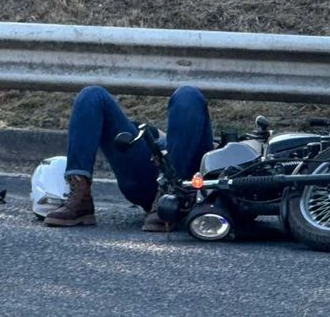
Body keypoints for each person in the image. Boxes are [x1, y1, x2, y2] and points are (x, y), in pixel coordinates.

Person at [44, 85, 214, 231]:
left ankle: (171, 194)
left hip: (189, 181)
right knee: (92, 95)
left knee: (188, 95)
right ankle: (81, 197)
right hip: (148, 174)